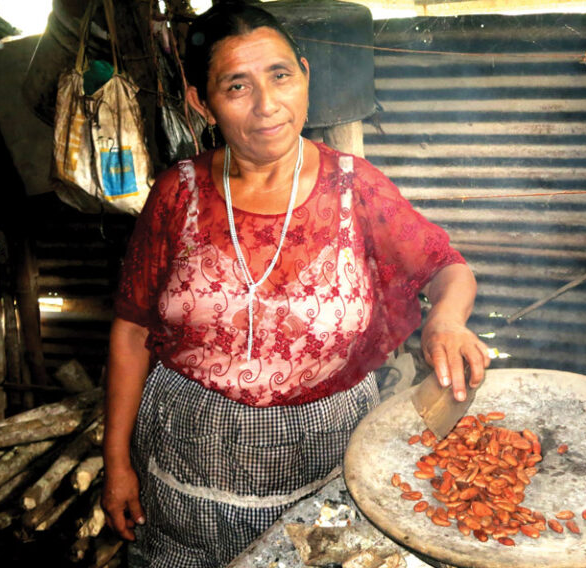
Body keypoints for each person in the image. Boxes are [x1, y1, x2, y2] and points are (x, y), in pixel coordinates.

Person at [102, 3, 489, 566]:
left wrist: (446, 321)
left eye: (280, 75)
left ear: (305, 76)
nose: (267, 105)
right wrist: (116, 462)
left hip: (327, 456)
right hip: (187, 468)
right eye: (237, 86)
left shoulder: (357, 189)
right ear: (201, 102)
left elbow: (448, 267)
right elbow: (132, 330)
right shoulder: (176, 194)